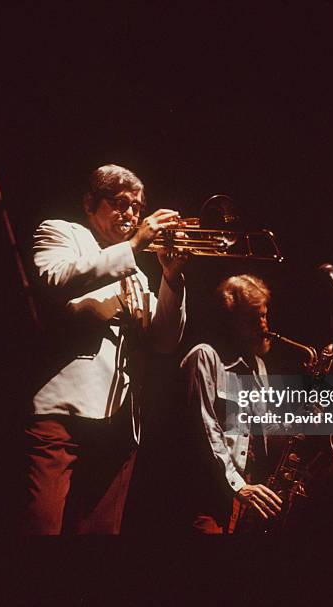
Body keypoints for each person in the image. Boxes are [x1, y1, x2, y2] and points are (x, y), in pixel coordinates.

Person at [24, 164, 187, 535]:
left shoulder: (137, 272)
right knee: (41, 528)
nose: (131, 213)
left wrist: (171, 278)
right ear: (89, 203)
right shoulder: (61, 232)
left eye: (137, 206)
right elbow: (56, 279)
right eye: (120, 202)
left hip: (120, 423)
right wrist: (132, 247)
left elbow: (164, 341)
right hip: (64, 412)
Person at [180, 274, 283, 533]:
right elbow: (205, 431)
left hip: (248, 494)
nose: (264, 326)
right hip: (209, 495)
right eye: (253, 319)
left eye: (264, 315)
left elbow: (265, 427)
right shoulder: (205, 356)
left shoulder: (258, 365)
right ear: (229, 321)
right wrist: (239, 487)